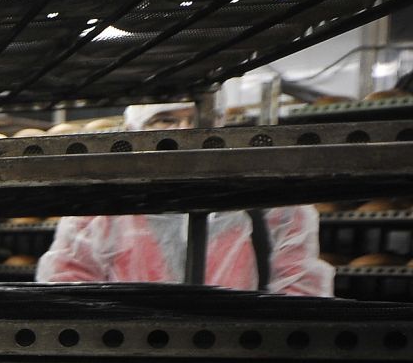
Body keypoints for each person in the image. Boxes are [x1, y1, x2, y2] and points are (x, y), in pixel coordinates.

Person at [37, 105, 335, 296]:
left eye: (196, 119)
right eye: (164, 120)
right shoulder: (98, 212)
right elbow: (66, 291)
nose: (183, 132)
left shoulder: (276, 209)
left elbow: (302, 296)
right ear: (134, 133)